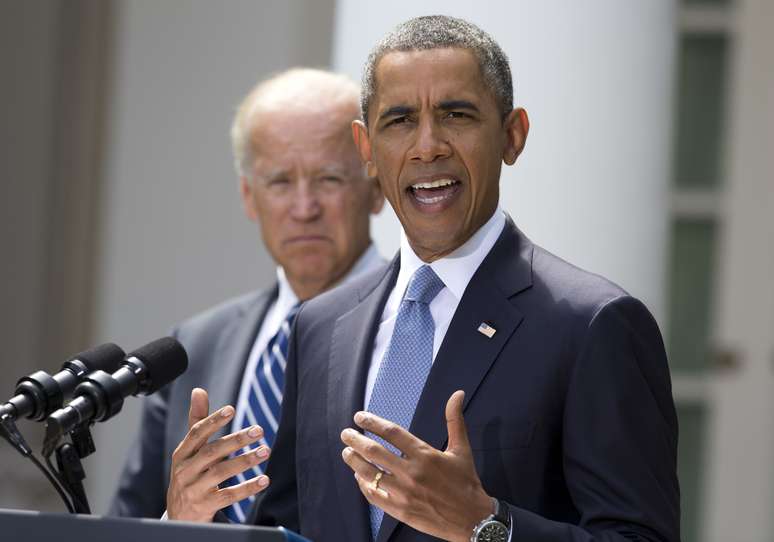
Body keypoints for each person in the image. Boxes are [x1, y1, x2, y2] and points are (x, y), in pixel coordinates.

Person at [169, 16, 680, 542]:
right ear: (366, 149)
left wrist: (486, 527)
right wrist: (185, 522)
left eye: (456, 115)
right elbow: (288, 530)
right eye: (400, 120)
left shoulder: (593, 323)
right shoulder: (320, 326)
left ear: (512, 135)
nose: (427, 146)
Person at [109, 68, 385, 520]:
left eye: (329, 179)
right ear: (248, 196)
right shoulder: (195, 345)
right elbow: (127, 522)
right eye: (279, 182)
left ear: (376, 188)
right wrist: (177, 521)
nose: (304, 208)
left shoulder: (416, 328)